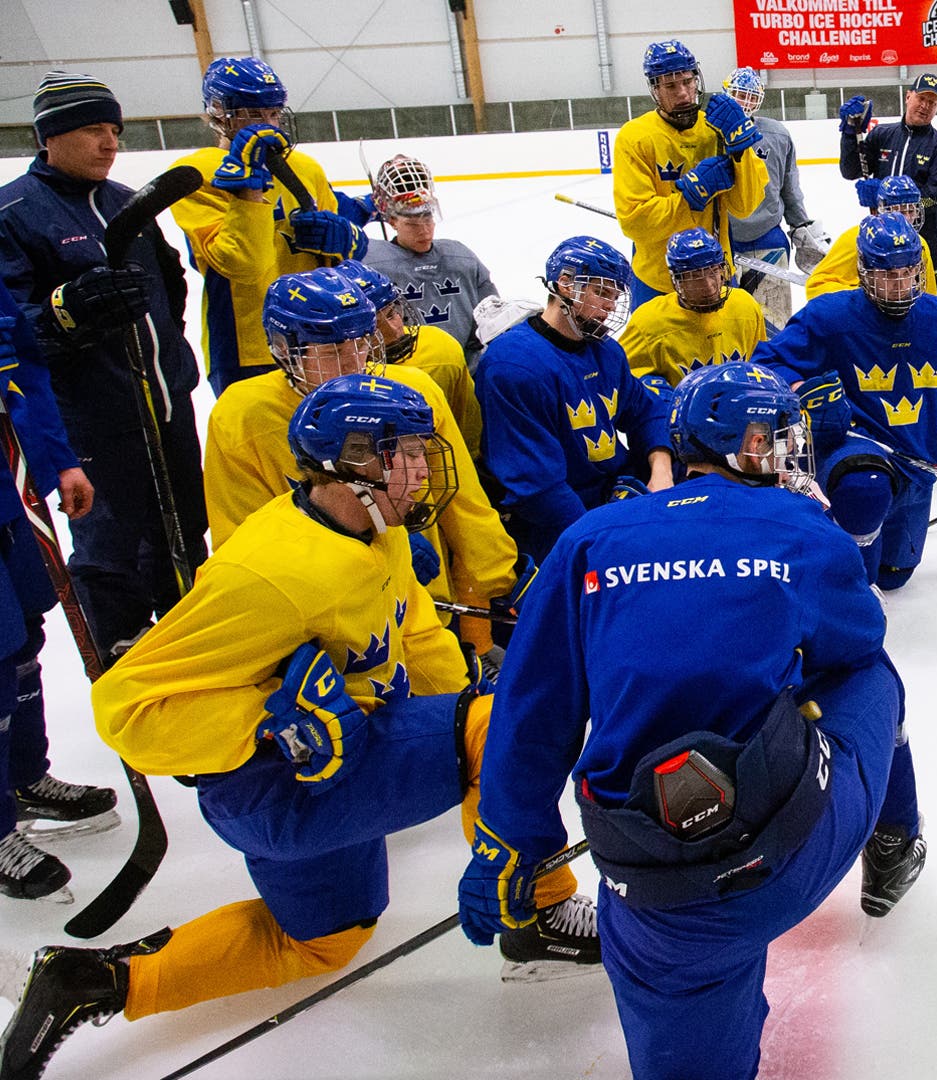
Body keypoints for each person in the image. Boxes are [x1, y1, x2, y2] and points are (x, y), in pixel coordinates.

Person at [0, 374, 600, 1080]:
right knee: (495, 725)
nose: (421, 470)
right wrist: (270, 724)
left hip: (332, 768)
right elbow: (127, 707)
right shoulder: (269, 573)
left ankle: (94, 982)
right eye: (403, 454)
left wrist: (466, 717)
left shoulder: (374, 530)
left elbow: (413, 632)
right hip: (273, 789)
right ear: (349, 468)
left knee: (323, 941)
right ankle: (542, 921)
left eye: (420, 451)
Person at [457, 361, 909, 1080]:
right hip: (789, 853)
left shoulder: (589, 539)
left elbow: (532, 710)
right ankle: (897, 836)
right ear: (746, 446)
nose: (787, 456)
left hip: (651, 895)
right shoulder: (802, 528)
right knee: (870, 674)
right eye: (775, 440)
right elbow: (854, 642)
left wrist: (508, 843)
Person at [202, 267, 516, 667]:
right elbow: (242, 541)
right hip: (326, 629)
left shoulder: (414, 391)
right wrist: (372, 548)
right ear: (285, 351)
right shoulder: (243, 416)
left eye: (362, 342)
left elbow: (463, 503)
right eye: (333, 350)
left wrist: (502, 576)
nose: (355, 362)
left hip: (425, 612)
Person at [0, 70, 208, 657]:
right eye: (93, 129)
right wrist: (68, 312)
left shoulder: (126, 202)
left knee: (184, 536)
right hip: (93, 421)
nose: (109, 142)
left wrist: (170, 360)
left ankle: (193, 659)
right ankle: (125, 664)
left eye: (114, 130)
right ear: (50, 136)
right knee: (111, 554)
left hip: (167, 408)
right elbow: (13, 332)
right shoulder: (14, 213)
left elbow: (169, 291)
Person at [757, 212, 937, 591]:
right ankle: (846, 583)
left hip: (917, 463)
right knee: (865, 490)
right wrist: (800, 390)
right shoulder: (830, 317)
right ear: (864, 272)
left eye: (909, 272)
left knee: (895, 576)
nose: (901, 285)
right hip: (856, 452)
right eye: (888, 275)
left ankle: (857, 544)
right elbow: (765, 363)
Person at [0, 279, 113, 904]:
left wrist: (58, 458)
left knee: (24, 638)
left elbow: (25, 363)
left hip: (10, 492)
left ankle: (23, 778)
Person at [172, 57, 370, 394]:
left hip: (323, 336)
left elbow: (346, 256)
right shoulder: (197, 173)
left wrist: (344, 239)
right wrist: (247, 190)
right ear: (219, 114)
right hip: (247, 346)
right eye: (253, 114)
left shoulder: (305, 168)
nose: (268, 125)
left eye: (274, 114)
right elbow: (241, 263)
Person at [475, 236, 673, 564]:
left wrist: (661, 472)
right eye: (602, 293)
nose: (610, 307)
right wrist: (600, 540)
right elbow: (537, 487)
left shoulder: (606, 351)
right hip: (553, 520)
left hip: (610, 492)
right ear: (566, 285)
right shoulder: (513, 365)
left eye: (615, 296)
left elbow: (645, 412)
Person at [612, 40, 768, 307]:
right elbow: (634, 221)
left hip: (716, 275)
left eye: (687, 81)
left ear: (697, 80)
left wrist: (741, 150)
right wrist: (690, 199)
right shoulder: (635, 137)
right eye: (670, 86)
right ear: (655, 89)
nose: (683, 93)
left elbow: (745, 206)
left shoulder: (716, 128)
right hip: (659, 280)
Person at [361, 154, 501, 364]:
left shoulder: (460, 257)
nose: (424, 231)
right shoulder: (370, 264)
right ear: (392, 221)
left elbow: (492, 316)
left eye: (428, 219)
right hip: (404, 374)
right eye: (412, 224)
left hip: (464, 371)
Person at [719, 68, 830, 327]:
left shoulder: (777, 134)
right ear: (727, 92)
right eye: (739, 95)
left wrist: (800, 225)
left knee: (773, 322)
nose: (745, 102)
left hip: (767, 237)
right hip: (722, 239)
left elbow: (789, 188)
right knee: (727, 323)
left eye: (751, 97)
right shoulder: (707, 134)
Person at [338, 259, 483, 458]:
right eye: (374, 327)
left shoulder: (439, 348)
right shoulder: (337, 377)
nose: (393, 330)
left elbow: (469, 428)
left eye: (391, 314)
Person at [838, 72, 937, 294]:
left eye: (932, 102)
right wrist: (850, 134)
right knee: (882, 297)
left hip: (928, 240)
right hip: (882, 237)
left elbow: (935, 198)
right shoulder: (882, 135)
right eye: (921, 98)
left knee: (927, 302)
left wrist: (886, 197)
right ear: (908, 96)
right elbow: (850, 170)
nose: (925, 106)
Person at [623, 227, 769, 384]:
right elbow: (623, 381)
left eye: (713, 272)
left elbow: (763, 363)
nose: (709, 287)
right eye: (695, 278)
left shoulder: (745, 305)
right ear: (677, 281)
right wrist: (660, 394)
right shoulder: (648, 323)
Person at [803, 175, 937, 301]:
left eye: (911, 211)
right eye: (900, 211)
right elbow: (815, 286)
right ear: (881, 210)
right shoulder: (855, 238)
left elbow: (929, 297)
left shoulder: (920, 244)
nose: (906, 218)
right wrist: (862, 300)